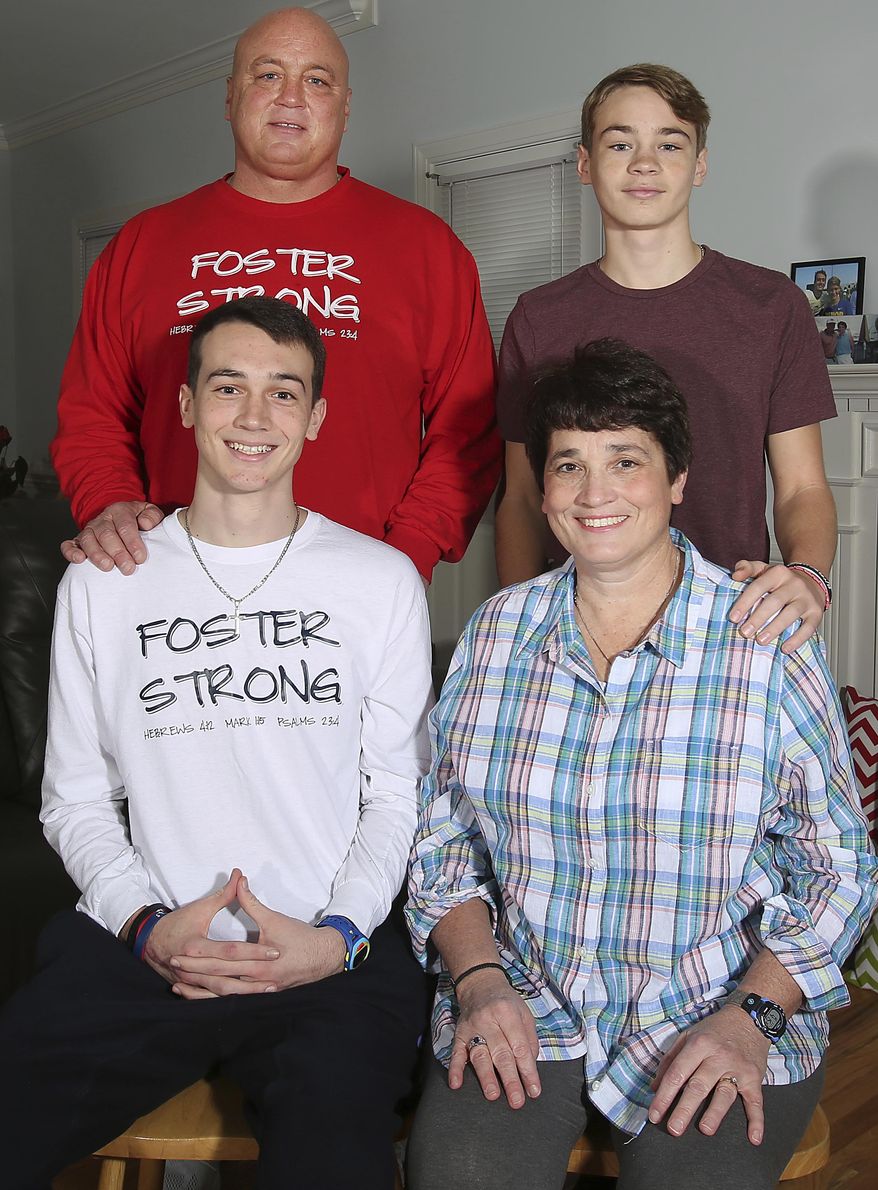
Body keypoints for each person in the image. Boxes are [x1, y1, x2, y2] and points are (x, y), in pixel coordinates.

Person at [406, 340, 877, 1190]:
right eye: (569, 466)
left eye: (626, 461)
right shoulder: (496, 635)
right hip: (525, 1002)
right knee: (458, 1174)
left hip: (715, 1008)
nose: (596, 494)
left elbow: (838, 869)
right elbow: (444, 845)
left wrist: (752, 1018)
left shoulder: (765, 640)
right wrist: (478, 980)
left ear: (677, 478)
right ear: (542, 488)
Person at [0, 298, 433, 1190]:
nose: (254, 415)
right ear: (188, 404)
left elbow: (398, 794)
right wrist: (143, 926)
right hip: (142, 943)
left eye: (284, 392)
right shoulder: (105, 582)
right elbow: (75, 800)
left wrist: (338, 936)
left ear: (316, 418)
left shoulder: (380, 581)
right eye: (228, 386)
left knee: (333, 1162)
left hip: (322, 955)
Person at [53, 6, 499, 584]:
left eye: (317, 80)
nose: (291, 97)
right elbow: (94, 413)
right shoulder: (143, 244)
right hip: (167, 577)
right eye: (267, 75)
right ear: (230, 96)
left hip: (358, 583)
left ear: (345, 106)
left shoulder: (426, 248)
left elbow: (467, 432)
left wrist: (406, 555)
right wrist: (109, 501)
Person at [494, 64, 836, 655]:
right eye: (620, 143)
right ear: (584, 164)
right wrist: (519, 627)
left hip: (735, 619)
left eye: (670, 144)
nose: (644, 163)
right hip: (576, 626)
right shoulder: (537, 317)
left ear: (700, 165)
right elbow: (523, 497)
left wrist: (808, 577)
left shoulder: (770, 306)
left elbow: (802, 486)